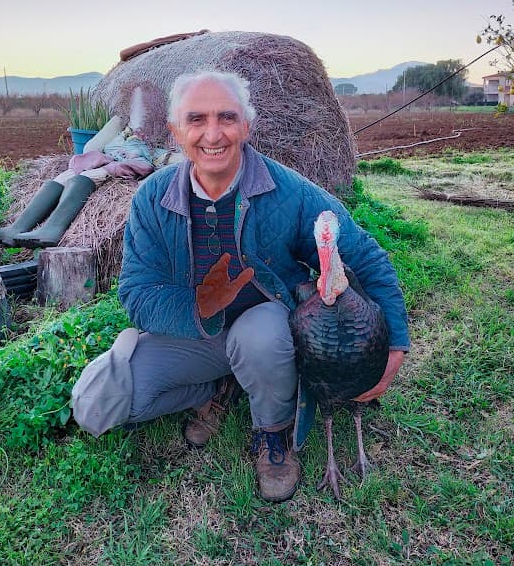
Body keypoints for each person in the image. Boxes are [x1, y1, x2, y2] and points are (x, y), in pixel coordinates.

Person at [71, 70, 410, 502]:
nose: (212, 134)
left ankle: (273, 435)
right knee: (96, 402)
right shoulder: (151, 199)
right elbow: (137, 293)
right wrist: (199, 304)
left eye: (226, 117)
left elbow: (364, 255)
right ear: (176, 131)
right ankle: (220, 387)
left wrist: (394, 343)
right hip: (194, 334)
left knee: (262, 334)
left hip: (265, 334)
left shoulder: (288, 190)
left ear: (246, 126)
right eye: (196, 119)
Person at [0, 83, 172, 248]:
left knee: (85, 177)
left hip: (123, 164)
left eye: (140, 105)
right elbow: (92, 146)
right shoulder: (122, 129)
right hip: (107, 158)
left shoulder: (150, 134)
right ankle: (16, 229)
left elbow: (160, 156)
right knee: (63, 177)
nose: (136, 109)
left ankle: (52, 228)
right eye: (133, 104)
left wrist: (133, 156)